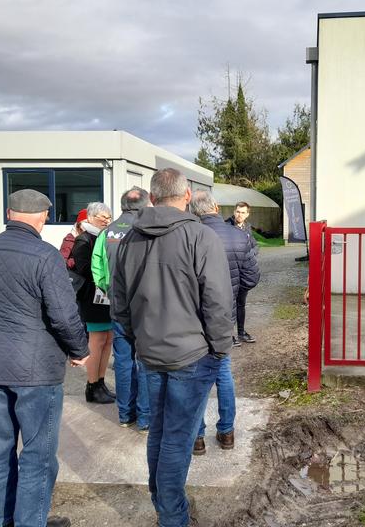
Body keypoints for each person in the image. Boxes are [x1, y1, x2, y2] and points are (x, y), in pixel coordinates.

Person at [111, 168, 233, 527]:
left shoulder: (128, 240)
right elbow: (217, 301)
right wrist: (220, 348)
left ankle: (165, 503)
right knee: (176, 439)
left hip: (152, 352)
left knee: (161, 434)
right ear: (186, 197)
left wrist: (137, 340)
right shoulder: (200, 236)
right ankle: (172, 515)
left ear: (152, 197)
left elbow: (120, 304)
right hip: (191, 356)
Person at [0, 189, 89, 527]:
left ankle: (7, 520)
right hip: (35, 371)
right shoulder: (46, 256)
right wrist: (79, 350)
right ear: (44, 217)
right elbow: (63, 315)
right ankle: (30, 521)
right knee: (38, 454)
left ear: (9, 212)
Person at [189, 190, 259, 455]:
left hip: (194, 318)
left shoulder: (190, 236)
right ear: (216, 207)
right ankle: (227, 432)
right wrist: (233, 292)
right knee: (223, 372)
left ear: (194, 211)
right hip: (225, 316)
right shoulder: (239, 236)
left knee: (195, 378)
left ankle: (197, 437)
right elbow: (252, 277)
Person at [91, 187, 151, 431]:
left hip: (117, 306)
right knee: (146, 361)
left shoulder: (107, 233)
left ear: (122, 204)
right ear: (146, 205)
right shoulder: (148, 231)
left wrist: (110, 290)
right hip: (145, 308)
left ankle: (126, 414)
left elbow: (98, 271)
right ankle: (146, 417)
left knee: (124, 361)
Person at [72, 202, 115, 404]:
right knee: (97, 341)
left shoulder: (106, 238)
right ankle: (92, 385)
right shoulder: (83, 240)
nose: (107, 221)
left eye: (109, 218)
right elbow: (84, 269)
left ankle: (101, 382)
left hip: (106, 297)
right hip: (92, 298)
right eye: (102, 218)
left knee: (108, 341)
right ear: (89, 218)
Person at [226, 201, 259, 344]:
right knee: (229, 304)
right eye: (238, 211)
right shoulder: (226, 226)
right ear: (234, 211)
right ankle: (229, 336)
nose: (240, 215)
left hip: (243, 272)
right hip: (229, 271)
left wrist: (250, 256)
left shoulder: (247, 227)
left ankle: (241, 333)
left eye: (243, 212)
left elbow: (254, 245)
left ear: (247, 214)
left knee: (241, 303)